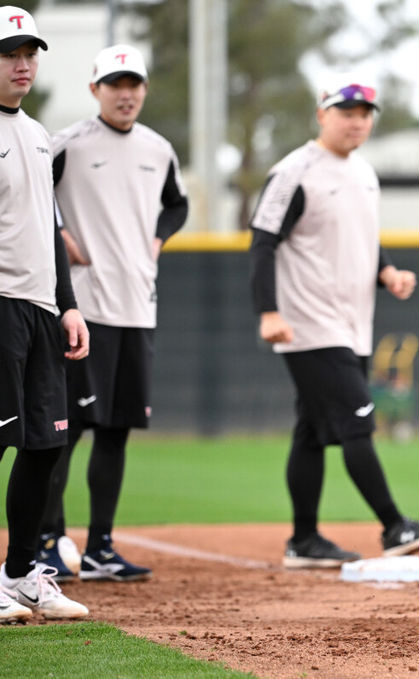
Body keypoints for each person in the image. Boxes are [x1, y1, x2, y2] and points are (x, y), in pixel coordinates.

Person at [249, 75, 419, 568]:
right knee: (359, 422)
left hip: (352, 322)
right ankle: (394, 526)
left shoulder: (363, 172)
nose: (357, 120)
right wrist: (269, 312)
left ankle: (304, 540)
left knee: (312, 431)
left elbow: (360, 238)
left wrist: (387, 272)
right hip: (309, 324)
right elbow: (262, 240)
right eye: (347, 111)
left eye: (365, 113)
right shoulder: (295, 171)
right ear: (322, 115)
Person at [34, 44, 189, 584]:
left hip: (135, 306)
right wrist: (59, 235)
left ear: (144, 89)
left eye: (134, 84)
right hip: (84, 306)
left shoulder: (158, 148)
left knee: (117, 430)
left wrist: (156, 239)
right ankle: (47, 540)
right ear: (95, 89)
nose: (126, 93)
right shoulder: (68, 144)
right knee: (67, 429)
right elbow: (32, 197)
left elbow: (178, 203)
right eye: (115, 84)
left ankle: (100, 546)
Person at [0, 5, 90, 621]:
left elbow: (49, 226)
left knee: (45, 445)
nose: (23, 63)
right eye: (10, 53)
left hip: (38, 308)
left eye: (30, 53)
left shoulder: (35, 134)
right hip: (0, 305)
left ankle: (20, 574)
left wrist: (68, 304)